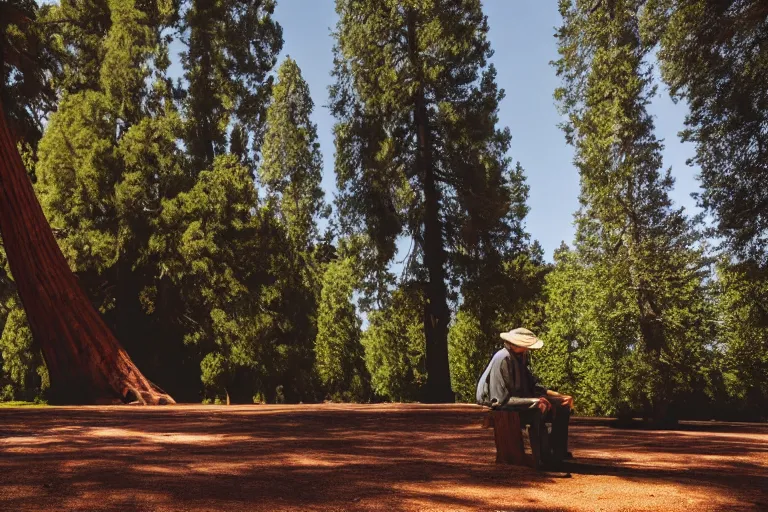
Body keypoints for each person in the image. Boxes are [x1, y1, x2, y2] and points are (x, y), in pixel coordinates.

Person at [476, 327, 573, 466]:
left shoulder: (519, 358)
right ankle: (542, 459)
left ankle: (557, 453)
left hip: (515, 401)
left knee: (563, 407)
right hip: (502, 406)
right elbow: (500, 400)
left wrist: (558, 396)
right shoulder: (503, 358)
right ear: (517, 344)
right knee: (539, 408)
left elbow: (533, 387)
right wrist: (535, 402)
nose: (527, 350)